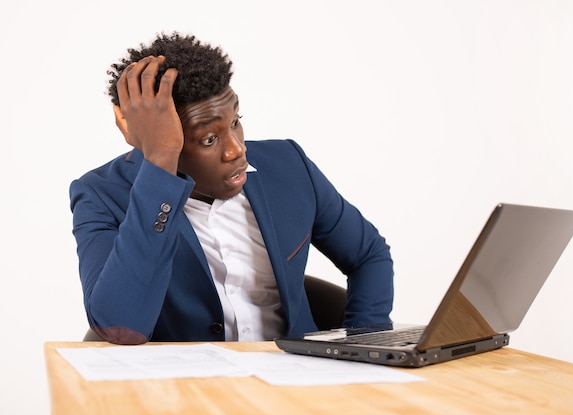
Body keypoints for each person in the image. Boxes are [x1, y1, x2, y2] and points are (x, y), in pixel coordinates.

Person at [70, 32, 394, 345]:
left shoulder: (289, 166)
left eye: (236, 122)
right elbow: (122, 327)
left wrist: (361, 343)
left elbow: (368, 254)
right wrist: (159, 162)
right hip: (186, 391)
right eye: (209, 139)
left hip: (297, 385)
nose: (236, 150)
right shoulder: (102, 194)